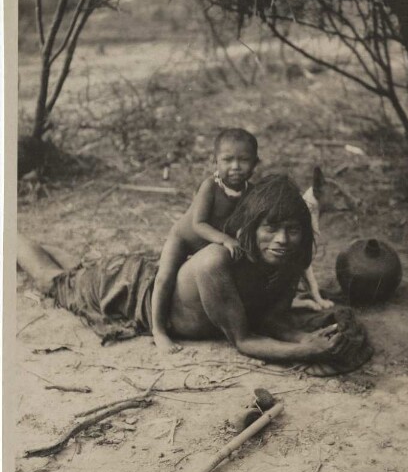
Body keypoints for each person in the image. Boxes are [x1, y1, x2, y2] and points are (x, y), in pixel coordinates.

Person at [17, 175, 372, 376]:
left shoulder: (291, 254)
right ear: (250, 228)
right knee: (54, 280)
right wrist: (307, 351)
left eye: (292, 229)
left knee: (77, 269)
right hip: (128, 290)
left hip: (149, 273)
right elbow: (245, 340)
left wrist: (304, 337)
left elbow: (272, 317)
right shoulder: (214, 262)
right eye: (272, 229)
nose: (282, 240)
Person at [152, 128, 259, 354]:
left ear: (255, 163)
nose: (236, 167)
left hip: (214, 244)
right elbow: (198, 224)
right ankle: (159, 330)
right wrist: (225, 239)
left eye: (244, 160)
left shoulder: (252, 192)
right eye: (228, 160)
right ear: (215, 161)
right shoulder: (210, 186)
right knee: (164, 277)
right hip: (185, 238)